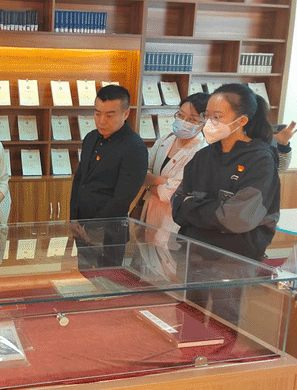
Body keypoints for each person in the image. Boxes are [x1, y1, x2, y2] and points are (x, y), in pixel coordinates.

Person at [172, 83, 280, 325]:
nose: (209, 122)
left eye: (217, 117)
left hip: (232, 260)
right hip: (193, 253)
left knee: (224, 325)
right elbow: (177, 206)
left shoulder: (260, 160)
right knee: (188, 321)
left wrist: (194, 207)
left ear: (242, 121)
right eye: (207, 115)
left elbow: (238, 217)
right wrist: (213, 209)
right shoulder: (203, 156)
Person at [70, 84, 148, 267]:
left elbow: (122, 198)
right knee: (84, 275)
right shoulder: (91, 138)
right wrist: (73, 218)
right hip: (81, 226)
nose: (101, 121)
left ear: (126, 114)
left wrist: (91, 227)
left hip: (108, 231)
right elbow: (80, 179)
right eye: (97, 114)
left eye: (109, 115)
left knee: (106, 279)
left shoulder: (134, 147)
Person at [140, 93, 209, 246]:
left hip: (174, 219)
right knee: (146, 253)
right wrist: (161, 180)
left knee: (166, 256)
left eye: (192, 119)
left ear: (204, 123)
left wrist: (151, 183)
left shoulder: (202, 151)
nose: (183, 122)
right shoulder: (165, 139)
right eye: (181, 115)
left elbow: (169, 194)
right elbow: (143, 173)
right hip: (151, 211)